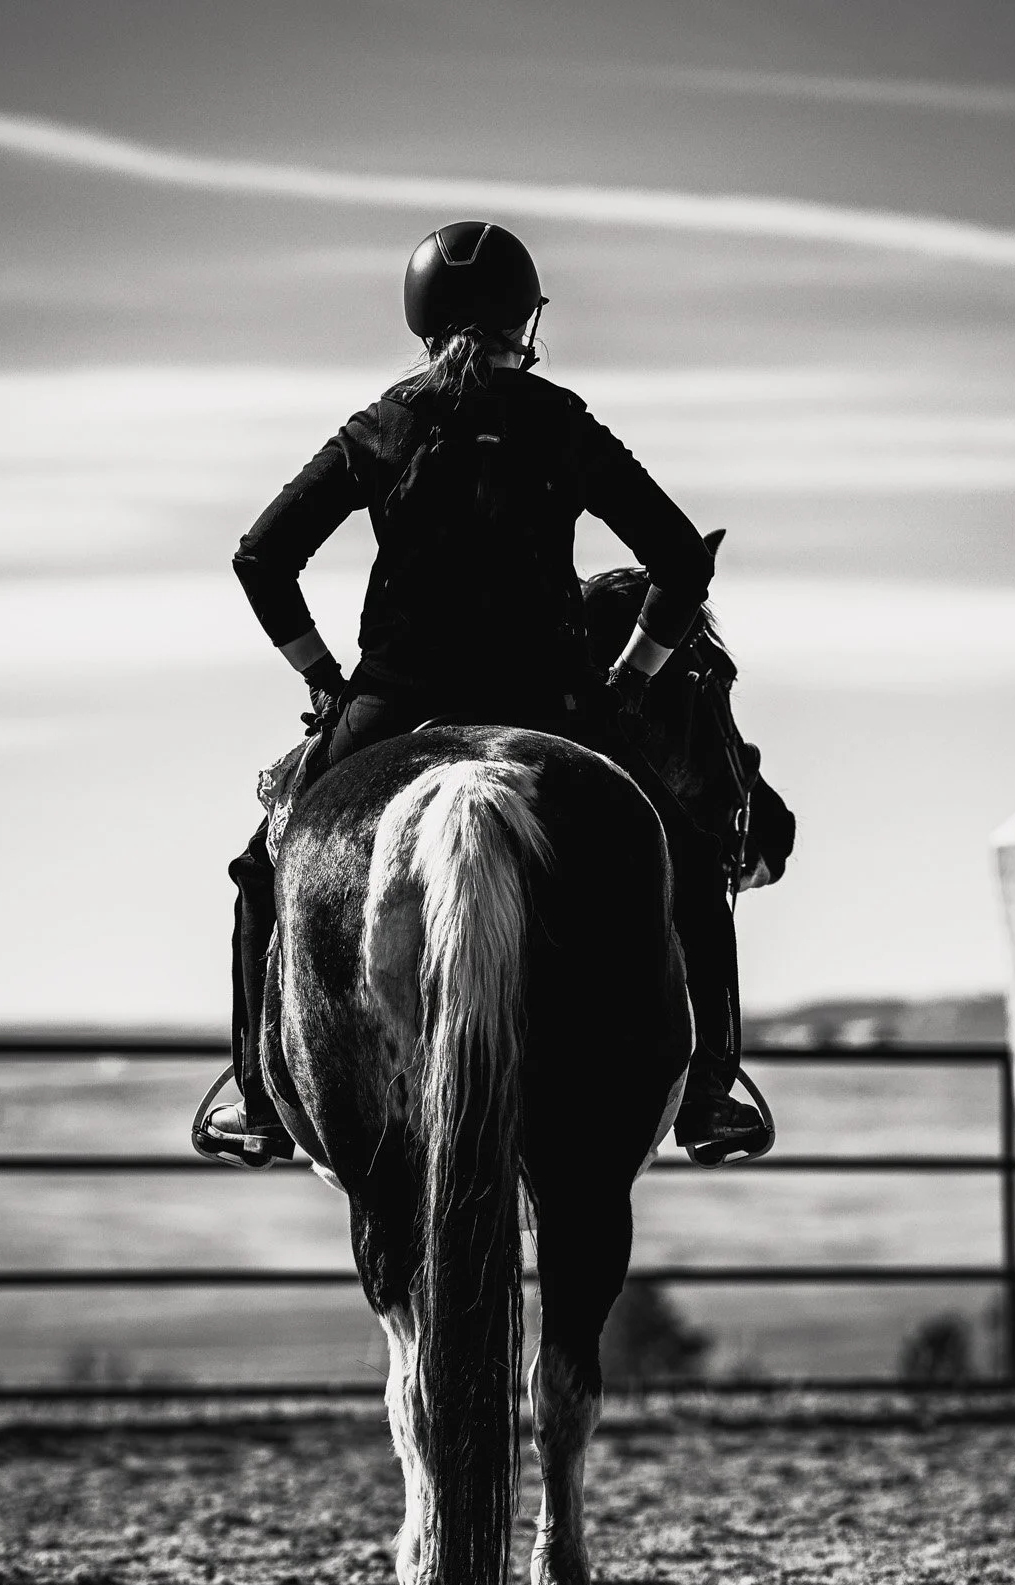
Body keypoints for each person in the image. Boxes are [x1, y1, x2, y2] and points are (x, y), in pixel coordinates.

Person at [196, 220, 777, 1169]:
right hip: (552, 705)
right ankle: (711, 1089)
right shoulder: (561, 422)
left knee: (264, 868)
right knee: (691, 856)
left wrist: (323, 678)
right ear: (525, 318)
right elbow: (676, 560)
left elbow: (261, 557)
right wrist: (627, 681)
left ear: (421, 322)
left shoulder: (380, 426)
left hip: (390, 704)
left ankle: (258, 1100)